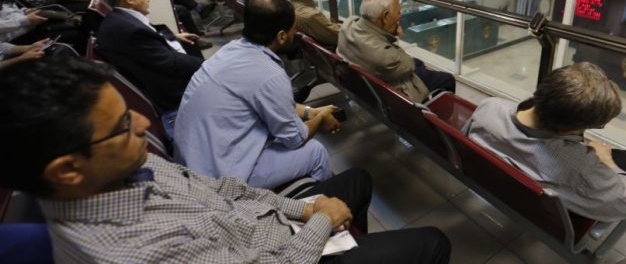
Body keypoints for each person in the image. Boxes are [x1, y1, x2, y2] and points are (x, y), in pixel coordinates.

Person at [0, 56, 452, 264]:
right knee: (431, 243)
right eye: (120, 124)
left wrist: (308, 209)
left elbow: (224, 188)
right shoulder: (132, 253)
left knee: (356, 179)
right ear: (67, 170)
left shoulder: (124, 168)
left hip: (264, 225)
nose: (143, 122)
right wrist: (319, 223)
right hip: (279, 253)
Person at [463, 62, 626, 222]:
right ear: (570, 129)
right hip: (546, 207)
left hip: (497, 180)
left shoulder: (490, 106)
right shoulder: (579, 168)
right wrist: (607, 159)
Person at [177, 0, 339, 189]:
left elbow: (266, 100)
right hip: (218, 180)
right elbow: (295, 139)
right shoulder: (270, 74)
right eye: (294, 28)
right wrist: (320, 119)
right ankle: (323, 207)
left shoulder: (231, 50)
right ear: (281, 36)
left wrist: (309, 112)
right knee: (316, 152)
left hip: (194, 161)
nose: (296, 32)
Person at [96, 0, 204, 123]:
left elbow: (150, 41)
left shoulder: (120, 19)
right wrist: (207, 65)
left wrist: (173, 37)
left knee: (191, 46)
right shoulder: (130, 29)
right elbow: (170, 63)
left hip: (157, 78)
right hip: (172, 95)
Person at [337, 0, 455, 103]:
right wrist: (394, 35)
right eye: (398, 11)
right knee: (447, 79)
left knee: (418, 63)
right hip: (397, 94)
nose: (400, 15)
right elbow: (407, 63)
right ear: (385, 16)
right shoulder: (386, 58)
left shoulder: (348, 24)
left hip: (365, 84)